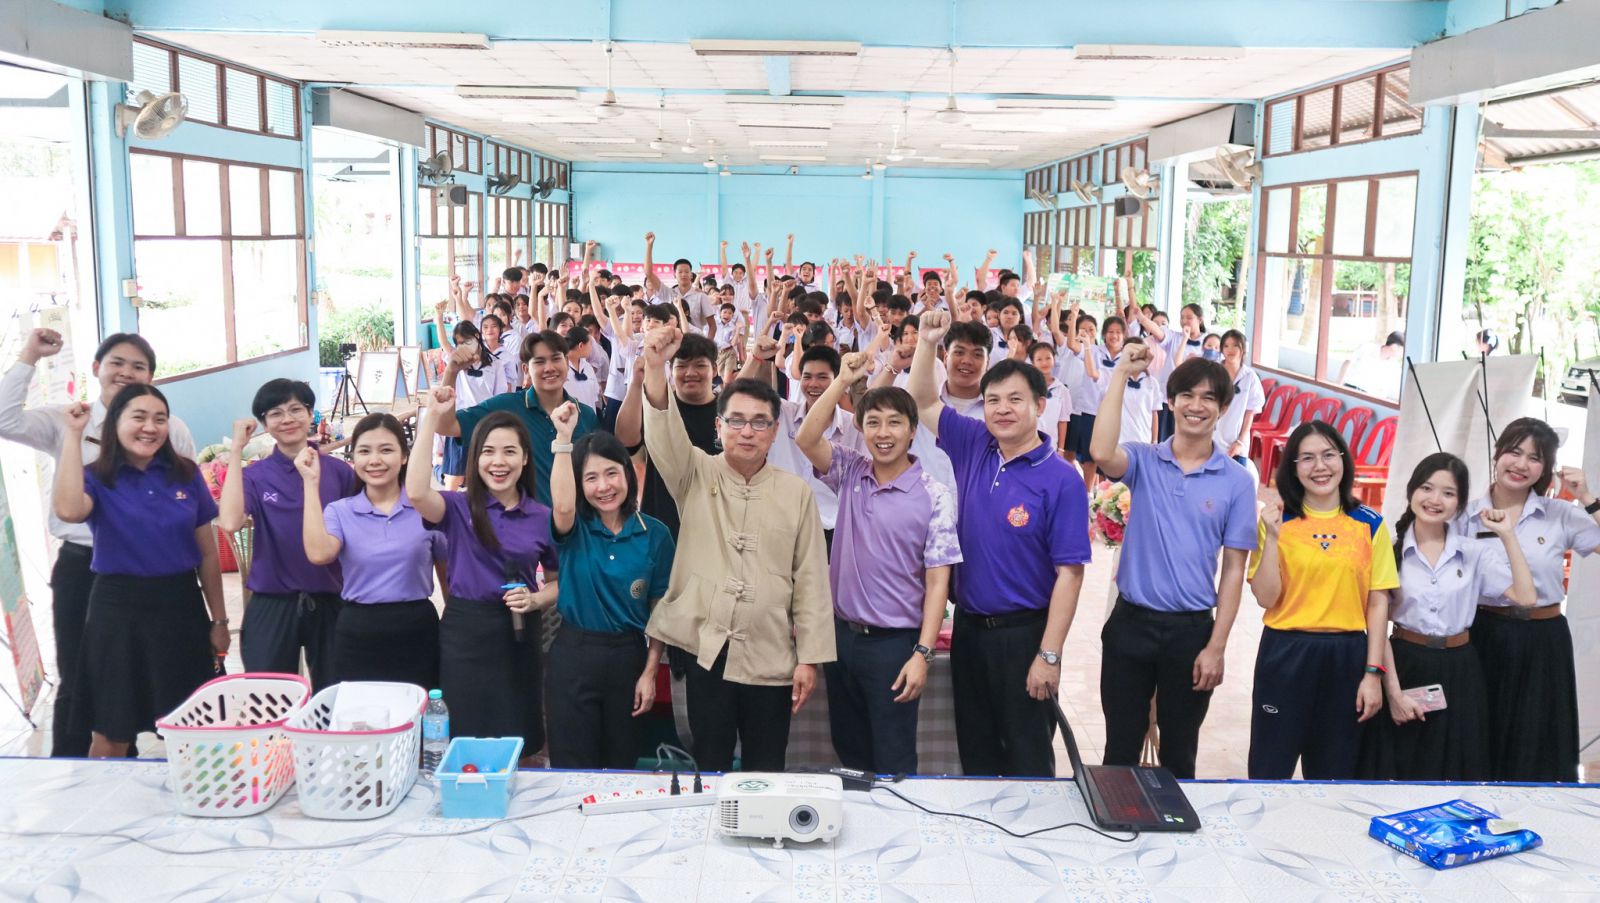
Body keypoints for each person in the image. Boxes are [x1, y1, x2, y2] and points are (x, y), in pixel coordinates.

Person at [639, 325, 834, 773]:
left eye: (760, 422)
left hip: (771, 654)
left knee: (767, 766)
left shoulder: (795, 492)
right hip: (708, 651)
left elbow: (811, 580)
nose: (748, 432)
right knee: (711, 764)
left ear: (775, 430)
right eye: (736, 421)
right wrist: (654, 365)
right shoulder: (694, 473)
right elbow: (663, 431)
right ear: (719, 426)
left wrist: (809, 658)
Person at [907, 310, 1091, 777]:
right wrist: (927, 343)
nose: (1002, 409)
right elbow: (922, 400)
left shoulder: (1062, 479)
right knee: (977, 753)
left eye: (1015, 399)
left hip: (1025, 634)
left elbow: (1070, 575)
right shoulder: (974, 442)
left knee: (1028, 757)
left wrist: (1049, 655)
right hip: (970, 630)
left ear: (1040, 405)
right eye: (992, 400)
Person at [0, 330, 197, 757]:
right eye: (116, 363)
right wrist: (30, 355)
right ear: (96, 368)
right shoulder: (69, 419)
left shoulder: (171, 428)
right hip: (83, 566)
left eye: (138, 366)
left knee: (149, 675)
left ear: (150, 377)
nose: (126, 372)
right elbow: (4, 419)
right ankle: (76, 772)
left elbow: (189, 501)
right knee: (79, 677)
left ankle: (134, 760)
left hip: (148, 574)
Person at [1089, 350, 1256, 779]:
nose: (1196, 406)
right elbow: (1101, 450)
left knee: (1180, 752)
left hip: (1191, 633)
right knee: (1120, 748)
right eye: (1187, 395)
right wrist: (1121, 374)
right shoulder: (1144, 461)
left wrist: (1216, 647)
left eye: (1208, 398)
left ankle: (1175, 820)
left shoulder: (1237, 481)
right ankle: (1118, 819)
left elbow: (1233, 570)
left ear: (1223, 408)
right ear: (1171, 401)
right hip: (1131, 624)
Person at [795, 354, 960, 775]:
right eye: (873, 423)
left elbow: (938, 582)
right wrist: (841, 382)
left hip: (894, 645)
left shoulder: (934, 494)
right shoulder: (851, 470)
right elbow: (807, 438)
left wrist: (922, 653)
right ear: (861, 428)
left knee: (893, 755)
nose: (883, 433)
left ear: (912, 429)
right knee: (849, 749)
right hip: (842, 638)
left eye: (894, 423)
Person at [51, 384, 227, 758]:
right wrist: (72, 435)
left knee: (195, 727)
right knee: (111, 730)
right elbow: (68, 510)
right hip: (117, 611)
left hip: (180, 607)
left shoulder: (186, 474)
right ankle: (109, 796)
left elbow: (208, 556)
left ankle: (195, 793)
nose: (150, 427)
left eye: (160, 419)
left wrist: (219, 621)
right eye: (139, 417)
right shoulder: (97, 476)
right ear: (115, 423)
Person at [1356, 452, 1534, 782]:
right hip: (1405, 664)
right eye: (1426, 488)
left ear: (1460, 503)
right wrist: (1393, 692)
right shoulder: (1390, 549)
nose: (1435, 500)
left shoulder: (1473, 552)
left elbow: (1526, 597)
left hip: (1461, 669)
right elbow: (1377, 625)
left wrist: (1508, 535)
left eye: (1448, 493)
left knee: (1458, 765)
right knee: (1404, 766)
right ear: (1412, 491)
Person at [410, 395, 560, 759]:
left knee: (519, 734)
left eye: (509, 452)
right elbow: (416, 492)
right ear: (475, 459)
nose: (498, 462)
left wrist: (536, 599)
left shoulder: (542, 516)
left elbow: (559, 581)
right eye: (488, 452)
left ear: (525, 458)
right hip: (465, 630)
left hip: (519, 631)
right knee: (466, 734)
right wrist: (431, 419)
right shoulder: (458, 507)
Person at [1248, 421, 1397, 779]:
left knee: (1336, 773)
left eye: (1329, 455)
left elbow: (1377, 604)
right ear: (1293, 467)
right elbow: (1266, 597)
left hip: (1346, 657)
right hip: (1285, 652)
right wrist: (1273, 538)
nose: (1320, 466)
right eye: (1307, 458)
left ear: (1343, 459)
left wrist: (1372, 674)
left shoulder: (1370, 524)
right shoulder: (1277, 520)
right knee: (1270, 768)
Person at [1463, 418, 1600, 782]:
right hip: (1483, 632)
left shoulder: (1560, 514)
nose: (1521, 464)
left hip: (1544, 638)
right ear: (1497, 453)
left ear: (1546, 468)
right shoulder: (1465, 514)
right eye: (1514, 451)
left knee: (1539, 737)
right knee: (1482, 733)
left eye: (1535, 458)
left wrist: (1588, 498)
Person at [546, 406, 675, 769]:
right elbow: (562, 506)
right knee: (572, 768)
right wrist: (563, 439)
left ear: (627, 475)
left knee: (621, 765)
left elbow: (660, 609)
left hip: (628, 657)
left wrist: (650, 672)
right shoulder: (574, 528)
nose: (603, 487)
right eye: (590, 478)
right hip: (573, 654)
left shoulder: (655, 534)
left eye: (611, 473)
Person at [218, 379, 356, 691]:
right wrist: (236, 449)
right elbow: (229, 521)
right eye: (276, 413)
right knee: (269, 698)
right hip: (273, 601)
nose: (287, 419)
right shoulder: (256, 475)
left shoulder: (339, 472)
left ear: (310, 414)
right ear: (264, 423)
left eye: (296, 409)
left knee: (337, 696)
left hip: (332, 600)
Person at [298, 413, 447, 690]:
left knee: (419, 710)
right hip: (358, 630)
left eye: (386, 450)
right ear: (354, 458)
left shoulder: (428, 508)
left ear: (404, 456)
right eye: (364, 451)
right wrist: (310, 482)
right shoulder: (340, 511)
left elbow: (447, 572)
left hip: (417, 628)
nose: (375, 460)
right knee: (360, 712)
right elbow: (319, 554)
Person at [434, 329, 598, 507]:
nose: (549, 368)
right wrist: (451, 372)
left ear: (566, 361)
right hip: (523, 522)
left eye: (556, 359)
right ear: (526, 369)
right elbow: (445, 426)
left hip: (575, 520)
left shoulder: (585, 415)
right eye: (539, 362)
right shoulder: (506, 407)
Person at [614, 332, 720, 539]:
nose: (690, 373)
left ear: (714, 369)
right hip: (662, 521)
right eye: (682, 366)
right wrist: (637, 383)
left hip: (713, 522)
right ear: (671, 369)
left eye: (700, 365)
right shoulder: (658, 406)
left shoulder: (728, 413)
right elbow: (626, 442)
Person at [433, 310, 508, 490]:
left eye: (467, 341)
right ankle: (442, 474)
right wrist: (439, 316)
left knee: (483, 475)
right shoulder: (455, 362)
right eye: (459, 343)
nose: (463, 346)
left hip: (485, 423)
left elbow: (500, 396)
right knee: (455, 477)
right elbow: (444, 343)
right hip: (460, 423)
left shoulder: (495, 364)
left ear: (477, 336)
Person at [644, 232, 716, 334]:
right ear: (674, 275)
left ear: (691, 275)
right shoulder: (668, 293)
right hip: (671, 339)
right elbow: (649, 273)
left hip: (693, 340)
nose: (683, 275)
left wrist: (706, 343)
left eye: (686, 272)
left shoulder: (701, 296)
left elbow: (712, 326)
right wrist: (649, 246)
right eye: (680, 272)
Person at [1215, 330, 1264, 467]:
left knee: (1236, 477)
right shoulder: (1214, 372)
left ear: (1243, 349)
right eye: (1226, 346)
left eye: (1235, 345)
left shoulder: (1250, 377)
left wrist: (1240, 441)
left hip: (1236, 443)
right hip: (1211, 439)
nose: (1230, 349)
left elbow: (1250, 412)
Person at [1337, 331, 1405, 399]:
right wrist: (1338, 386)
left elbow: (1385, 388)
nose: (1403, 353)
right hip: (1349, 389)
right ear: (1395, 347)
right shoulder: (1367, 348)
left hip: (1368, 398)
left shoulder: (1394, 365)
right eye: (1403, 349)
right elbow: (1347, 362)